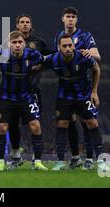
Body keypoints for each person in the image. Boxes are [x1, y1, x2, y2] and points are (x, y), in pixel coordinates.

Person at [43, 34, 106, 171]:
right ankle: (60, 162)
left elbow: (96, 69)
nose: (67, 48)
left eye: (70, 45)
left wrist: (94, 92)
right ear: (59, 48)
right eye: (64, 46)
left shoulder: (83, 56)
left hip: (83, 95)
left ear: (74, 46)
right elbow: (37, 66)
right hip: (64, 96)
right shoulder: (53, 59)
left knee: (92, 123)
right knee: (62, 124)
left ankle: (101, 160)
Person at [53, 6, 101, 169]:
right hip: (64, 90)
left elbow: (97, 57)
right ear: (63, 19)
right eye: (68, 16)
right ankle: (75, 158)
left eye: (73, 17)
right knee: (68, 122)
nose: (70, 19)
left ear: (76, 20)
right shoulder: (59, 36)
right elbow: (55, 58)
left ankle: (90, 159)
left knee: (88, 122)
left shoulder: (86, 36)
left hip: (82, 89)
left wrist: (89, 53)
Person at [0, 31, 48, 171]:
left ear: (24, 43)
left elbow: (48, 60)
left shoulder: (33, 54)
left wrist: (38, 67)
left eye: (20, 42)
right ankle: (0, 162)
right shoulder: (1, 54)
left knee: (35, 125)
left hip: (26, 96)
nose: (17, 45)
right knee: (2, 128)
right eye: (14, 42)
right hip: (7, 97)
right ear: (9, 44)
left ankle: (37, 161)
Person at [8, 14, 52, 169]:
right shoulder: (10, 43)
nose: (25, 24)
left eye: (27, 22)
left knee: (35, 124)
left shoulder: (38, 42)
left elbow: (51, 58)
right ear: (17, 26)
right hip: (11, 92)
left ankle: (36, 158)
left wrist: (40, 67)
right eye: (22, 22)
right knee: (12, 125)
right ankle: (16, 157)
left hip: (32, 90)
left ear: (31, 26)